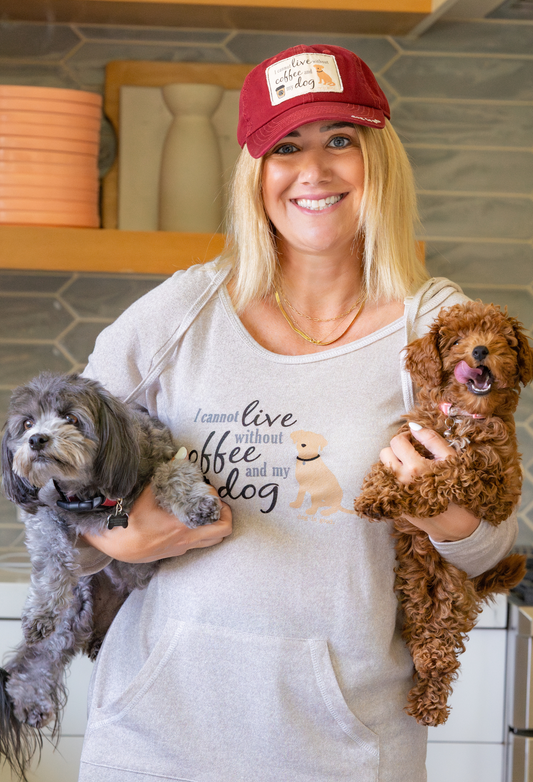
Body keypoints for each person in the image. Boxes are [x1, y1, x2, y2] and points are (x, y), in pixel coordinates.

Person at [77, 44, 518, 782]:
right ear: (256, 172)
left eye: (339, 140)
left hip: (344, 747)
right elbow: (50, 453)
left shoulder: (435, 326)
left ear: (378, 159)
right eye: (285, 147)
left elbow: (491, 542)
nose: (312, 171)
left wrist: (448, 519)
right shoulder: (187, 308)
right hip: (154, 736)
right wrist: (109, 530)